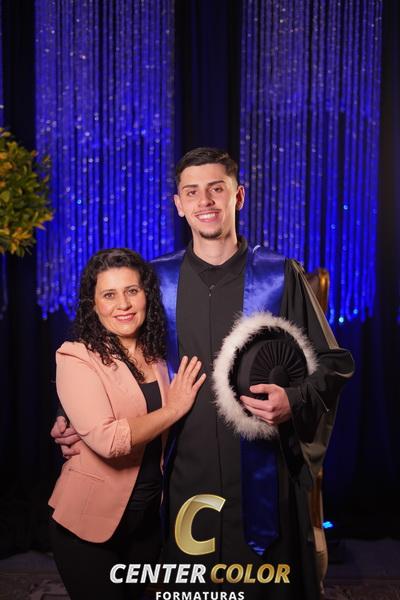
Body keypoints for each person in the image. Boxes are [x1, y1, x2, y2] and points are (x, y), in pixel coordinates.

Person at [52, 149, 355, 599]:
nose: (205, 201)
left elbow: (335, 362)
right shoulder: (157, 280)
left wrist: (293, 400)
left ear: (238, 196)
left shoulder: (279, 276)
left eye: (217, 188)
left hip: (262, 474)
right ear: (179, 204)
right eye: (192, 192)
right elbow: (112, 355)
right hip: (182, 472)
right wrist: (73, 417)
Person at [48, 248, 205, 600]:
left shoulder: (159, 354)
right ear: (93, 304)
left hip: (147, 523)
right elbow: (108, 440)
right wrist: (173, 409)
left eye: (132, 290)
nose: (123, 304)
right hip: (87, 527)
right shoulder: (76, 355)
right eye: (109, 294)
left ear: (146, 295)